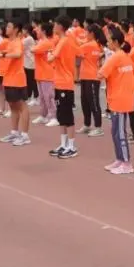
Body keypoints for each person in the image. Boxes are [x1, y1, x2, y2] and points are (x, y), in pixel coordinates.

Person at [98, 27, 134, 174]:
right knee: (115, 132)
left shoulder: (117, 56)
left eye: (109, 40)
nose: (107, 43)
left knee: (119, 133)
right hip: (118, 98)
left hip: (120, 99)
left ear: (115, 42)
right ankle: (119, 159)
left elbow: (101, 73)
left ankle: (127, 163)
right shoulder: (124, 56)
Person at [47, 15, 81, 159]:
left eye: (55, 24)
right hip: (60, 81)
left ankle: (72, 146)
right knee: (61, 115)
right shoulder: (64, 40)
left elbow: (50, 58)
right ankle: (63, 144)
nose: (53, 27)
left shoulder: (64, 40)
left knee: (67, 116)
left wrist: (50, 52)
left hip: (65, 83)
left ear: (60, 26)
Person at [0, 20, 31, 146]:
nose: (6, 28)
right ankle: (14, 132)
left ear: (15, 29)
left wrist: (3, 54)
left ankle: (25, 135)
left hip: (17, 79)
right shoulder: (9, 42)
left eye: (9, 26)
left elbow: (18, 54)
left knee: (22, 106)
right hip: (8, 78)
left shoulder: (17, 42)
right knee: (13, 107)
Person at [78, 24, 105, 137]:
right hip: (85, 77)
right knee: (85, 101)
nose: (85, 35)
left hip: (92, 78)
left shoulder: (89, 45)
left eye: (86, 32)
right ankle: (87, 124)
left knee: (93, 102)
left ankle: (98, 127)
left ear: (92, 34)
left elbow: (76, 51)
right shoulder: (96, 45)